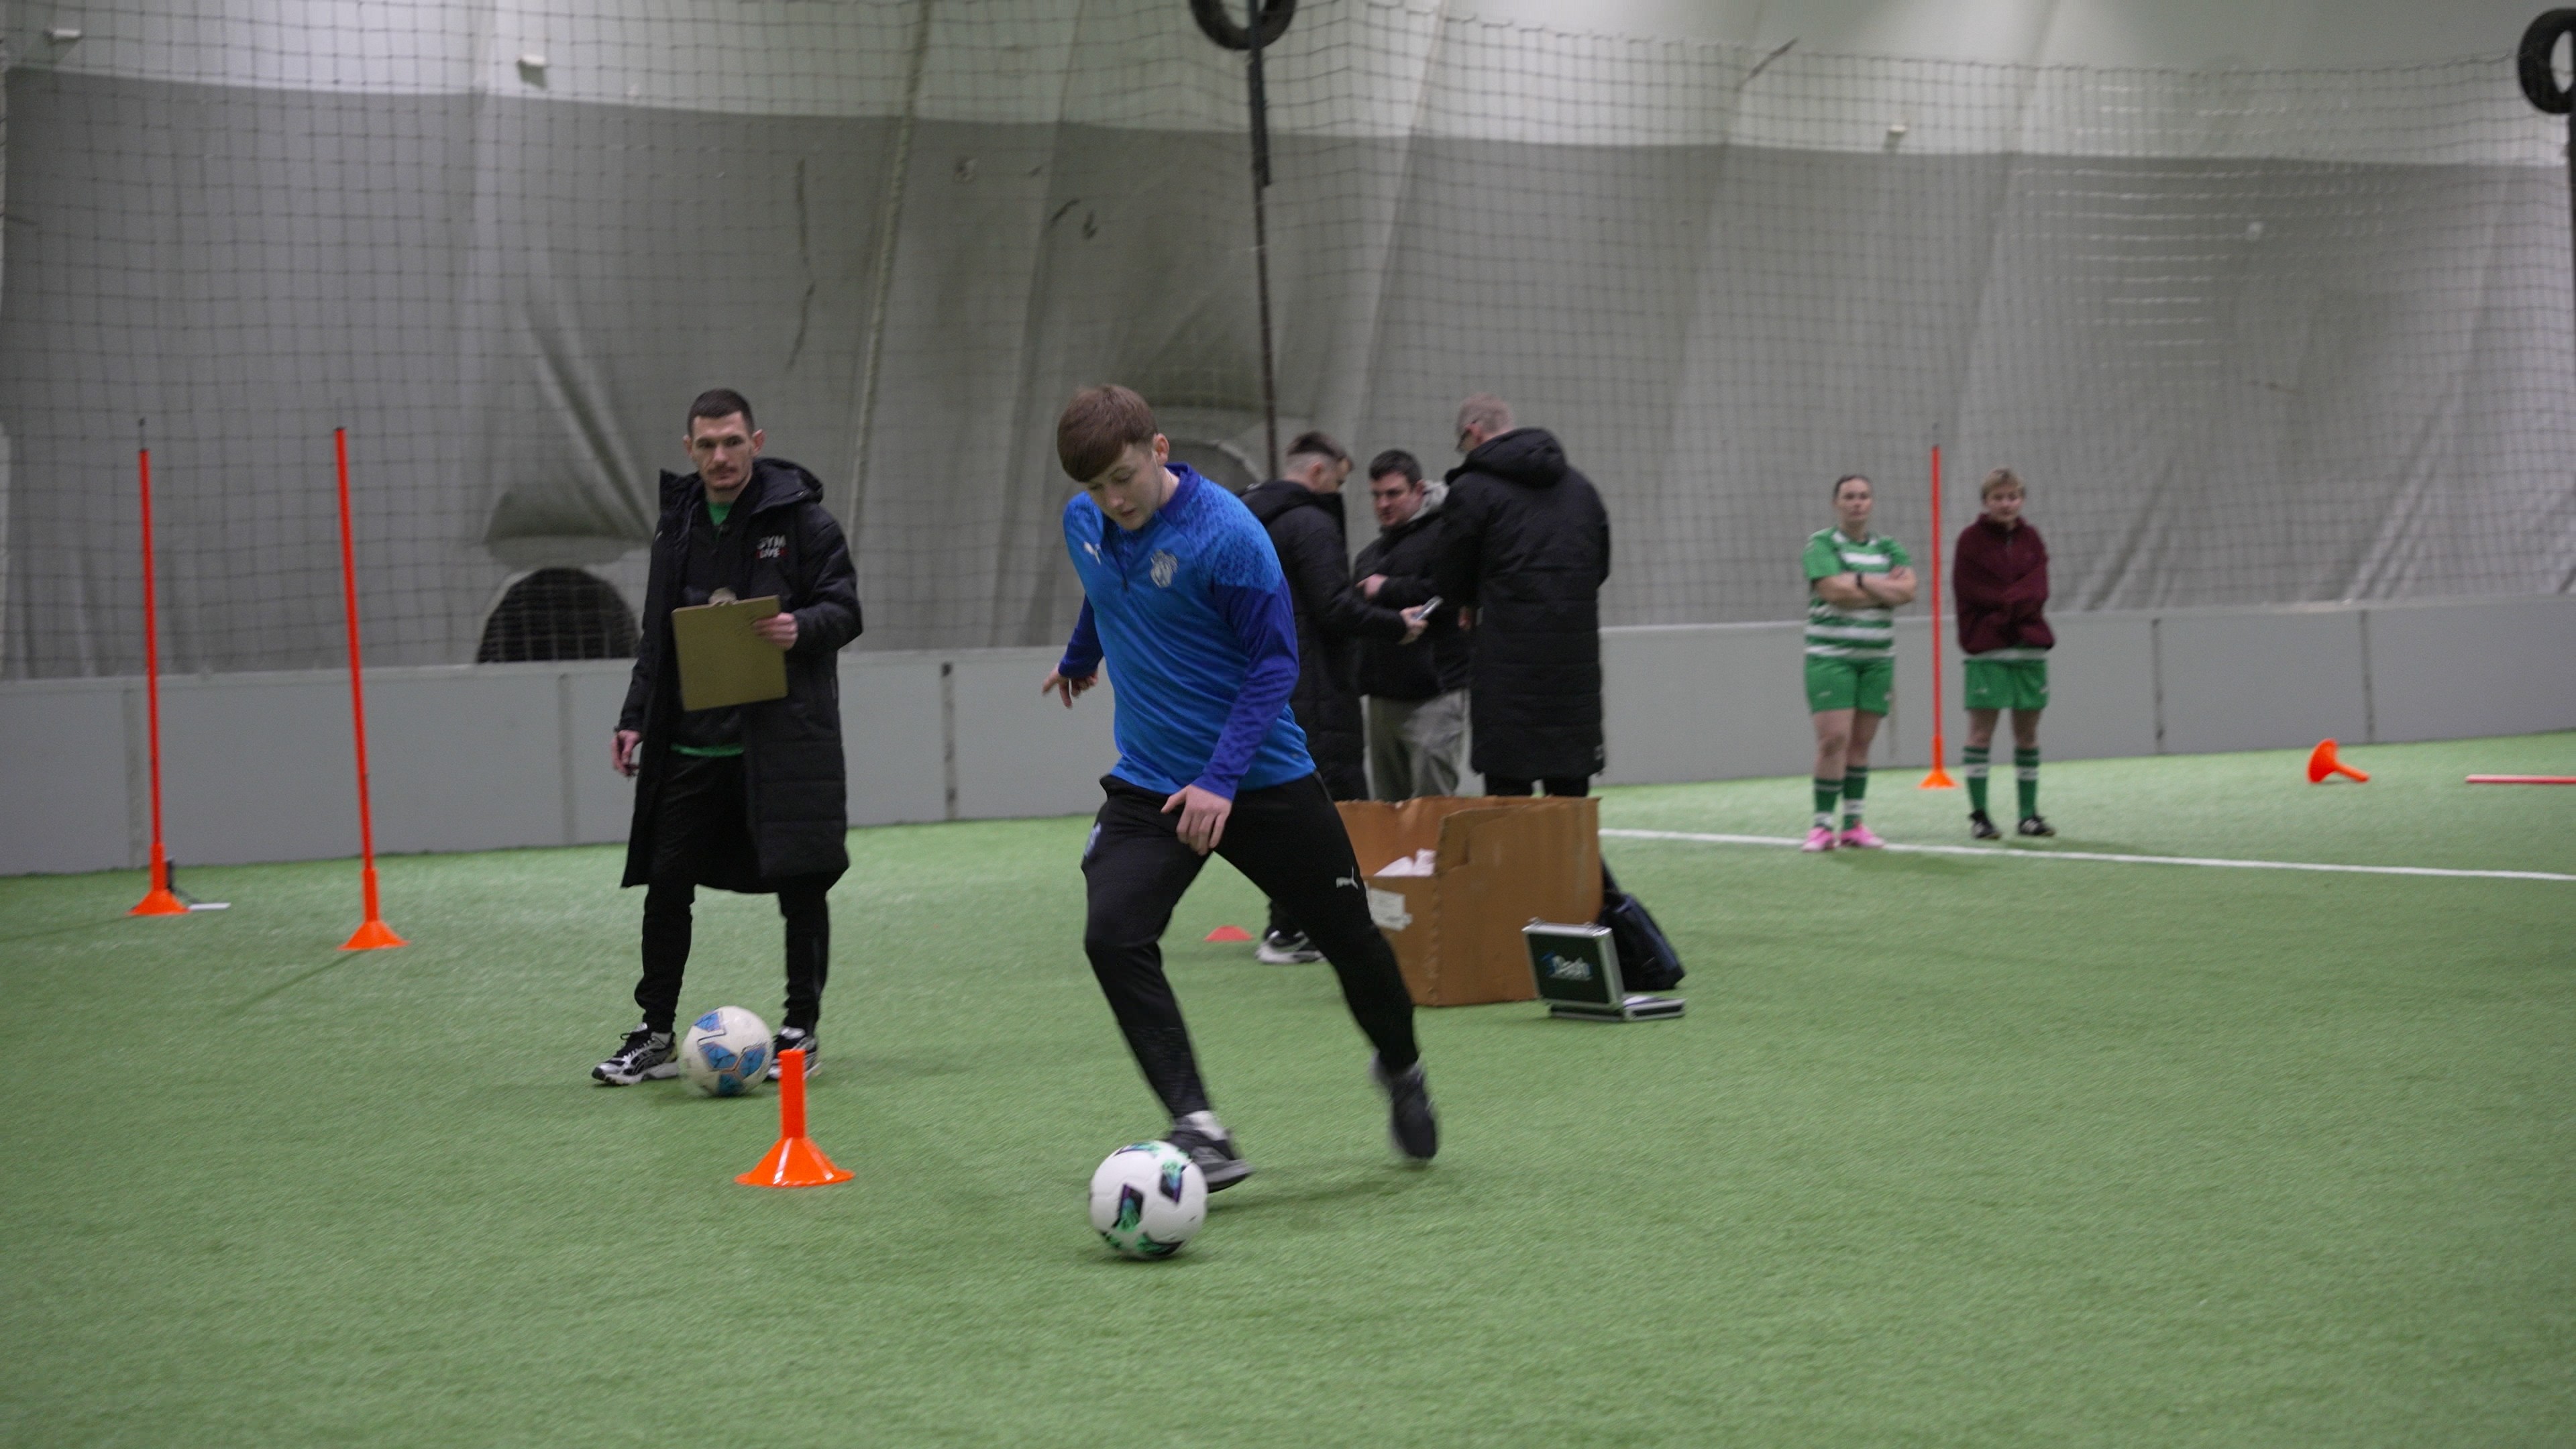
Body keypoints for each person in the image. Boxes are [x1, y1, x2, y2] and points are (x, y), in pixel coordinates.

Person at [1040, 385, 1437, 1188]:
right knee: (1112, 934)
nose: (1114, 502)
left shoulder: (1229, 536)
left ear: (1159, 449)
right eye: (1095, 488)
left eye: (1124, 477)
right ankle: (1199, 1126)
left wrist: (1222, 780)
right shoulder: (1087, 521)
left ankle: (1401, 1065)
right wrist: (1084, 655)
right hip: (1150, 784)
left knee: (1352, 944)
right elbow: (1106, 588)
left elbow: (1274, 664)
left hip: (1259, 781)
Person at [592, 389, 863, 1085]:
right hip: (688, 745)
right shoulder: (675, 525)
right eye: (707, 445)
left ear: (756, 441)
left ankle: (801, 1030)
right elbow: (657, 637)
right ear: (690, 450)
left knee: (801, 885)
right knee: (666, 885)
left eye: (732, 442)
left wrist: (799, 628)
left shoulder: (803, 521)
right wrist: (632, 717)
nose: (720, 456)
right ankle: (654, 1032)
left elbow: (845, 609)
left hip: (778, 746)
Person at [1241, 432, 1424, 962]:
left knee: (1286, 810)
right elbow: (1335, 608)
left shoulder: (1246, 521)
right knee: (1340, 810)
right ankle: (1293, 930)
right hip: (1315, 691)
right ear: (1321, 474)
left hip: (1265, 686)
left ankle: (1293, 926)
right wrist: (1397, 624)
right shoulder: (1312, 523)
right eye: (1343, 482)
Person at [1432, 394, 1611, 798]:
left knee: (1509, 812)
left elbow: (1449, 574)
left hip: (1505, 671)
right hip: (1573, 671)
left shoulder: (1473, 489)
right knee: (1570, 814)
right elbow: (1598, 568)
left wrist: (1469, 601)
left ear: (1473, 433)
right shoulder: (1582, 488)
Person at [1801, 474, 1916, 851]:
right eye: (1849, 496)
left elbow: (1908, 591)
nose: (1857, 503)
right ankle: (1821, 825)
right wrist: (1883, 590)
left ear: (1872, 503)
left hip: (1876, 660)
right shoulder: (1821, 544)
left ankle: (1853, 824)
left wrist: (1861, 580)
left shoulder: (1889, 547)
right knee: (1834, 739)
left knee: (1861, 744)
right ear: (1837, 503)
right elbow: (1835, 592)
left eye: (1864, 496)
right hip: (1831, 658)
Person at [1352, 449, 1471, 799]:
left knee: (1431, 811)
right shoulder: (1369, 555)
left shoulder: (1446, 538)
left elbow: (1451, 591)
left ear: (1419, 491)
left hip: (1434, 697)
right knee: (1388, 815)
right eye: (1376, 495)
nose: (1383, 504)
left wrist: (1385, 588)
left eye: (1393, 493)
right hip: (1382, 699)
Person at [1955, 468, 2054, 838]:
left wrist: (2009, 603)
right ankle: (1980, 816)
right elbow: (1973, 590)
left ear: (2022, 500)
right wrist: (2012, 603)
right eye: (1998, 497)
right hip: (1987, 649)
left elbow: (2038, 588)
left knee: (2027, 736)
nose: (2006, 503)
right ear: (1986, 502)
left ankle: (2028, 815)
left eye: (2012, 496)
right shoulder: (1969, 541)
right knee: (1981, 734)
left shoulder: (2033, 539)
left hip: (2028, 649)